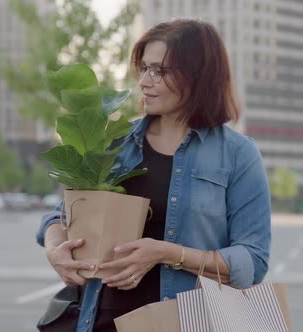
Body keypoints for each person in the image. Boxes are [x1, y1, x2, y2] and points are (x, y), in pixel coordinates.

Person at [36, 18, 272, 332]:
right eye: (144, 68)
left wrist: (165, 253)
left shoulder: (238, 155)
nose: (145, 81)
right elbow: (60, 217)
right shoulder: (117, 143)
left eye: (159, 71)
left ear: (198, 75)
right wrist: (56, 251)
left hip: (188, 322)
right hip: (101, 320)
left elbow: (252, 262)